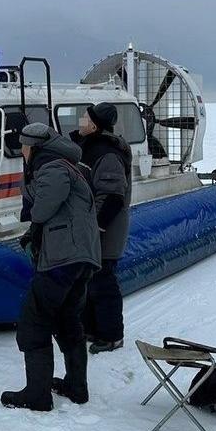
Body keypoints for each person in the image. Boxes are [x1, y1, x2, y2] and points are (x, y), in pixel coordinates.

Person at [2, 123, 101, 411]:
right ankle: (76, 386)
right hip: (79, 258)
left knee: (34, 322)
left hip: (62, 259)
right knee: (67, 320)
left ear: (33, 147)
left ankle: (37, 395)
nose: (20, 150)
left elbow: (42, 209)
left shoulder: (52, 168)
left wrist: (28, 188)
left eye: (22, 145)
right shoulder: (65, 165)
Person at [70, 102, 132, 354]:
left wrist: (97, 225)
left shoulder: (106, 154)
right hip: (91, 225)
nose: (80, 122)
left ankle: (112, 335)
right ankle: (91, 328)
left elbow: (112, 195)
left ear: (95, 125)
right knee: (88, 278)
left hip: (106, 227)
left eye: (84, 118)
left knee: (103, 280)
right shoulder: (89, 147)